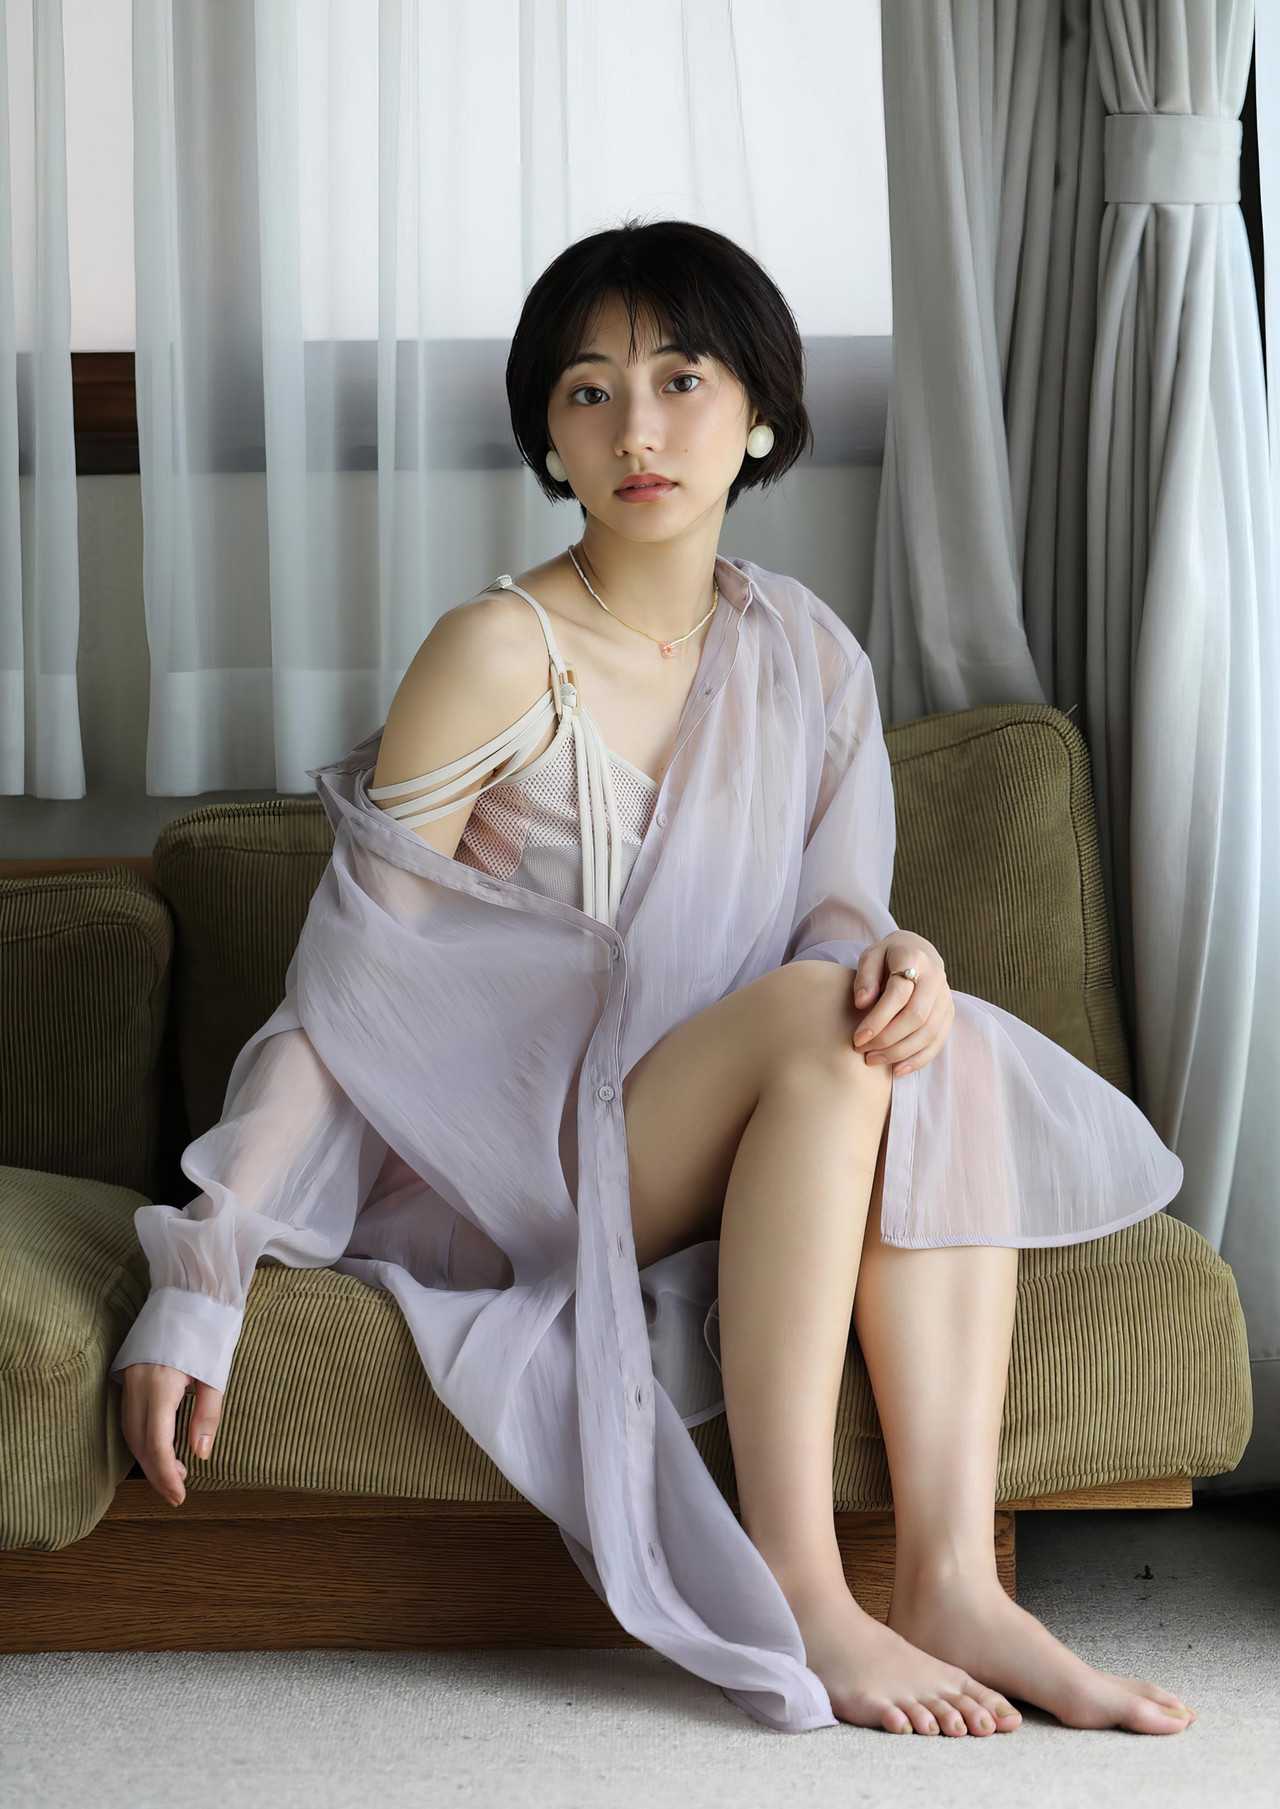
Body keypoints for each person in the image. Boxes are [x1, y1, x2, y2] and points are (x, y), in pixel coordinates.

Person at [115, 217, 1195, 1738]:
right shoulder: (496, 651)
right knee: (834, 1022)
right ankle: (801, 1589)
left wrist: (903, 960)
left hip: (709, 1136)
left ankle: (953, 1577)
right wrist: (204, 1271)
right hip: (505, 1164)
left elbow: (836, 936)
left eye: (682, 380)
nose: (638, 429)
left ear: (757, 416)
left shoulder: (808, 654)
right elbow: (344, 995)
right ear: (551, 439)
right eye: (590, 391)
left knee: (914, 1027)